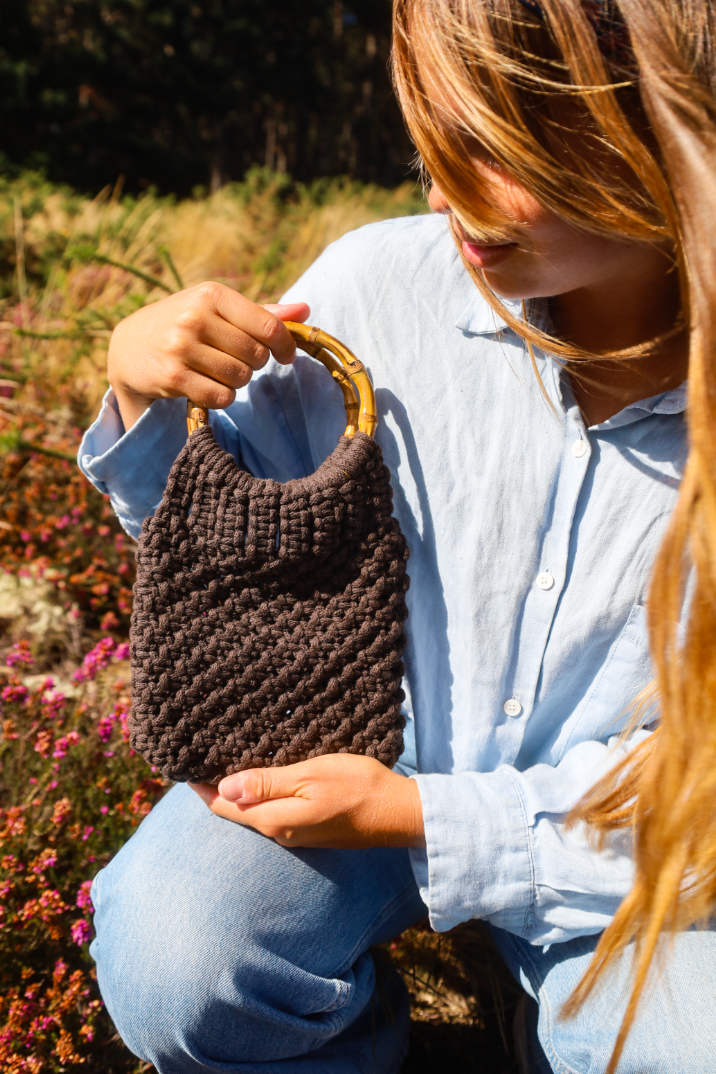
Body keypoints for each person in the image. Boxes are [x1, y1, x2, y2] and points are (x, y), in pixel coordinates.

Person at [77, 1, 716, 1071]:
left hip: (626, 859)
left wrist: (424, 815)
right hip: (343, 775)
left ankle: (534, 1004)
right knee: (177, 950)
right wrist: (143, 394)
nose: (441, 188)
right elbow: (227, 553)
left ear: (661, 129)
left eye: (499, 146)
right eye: (432, 133)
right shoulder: (380, 286)